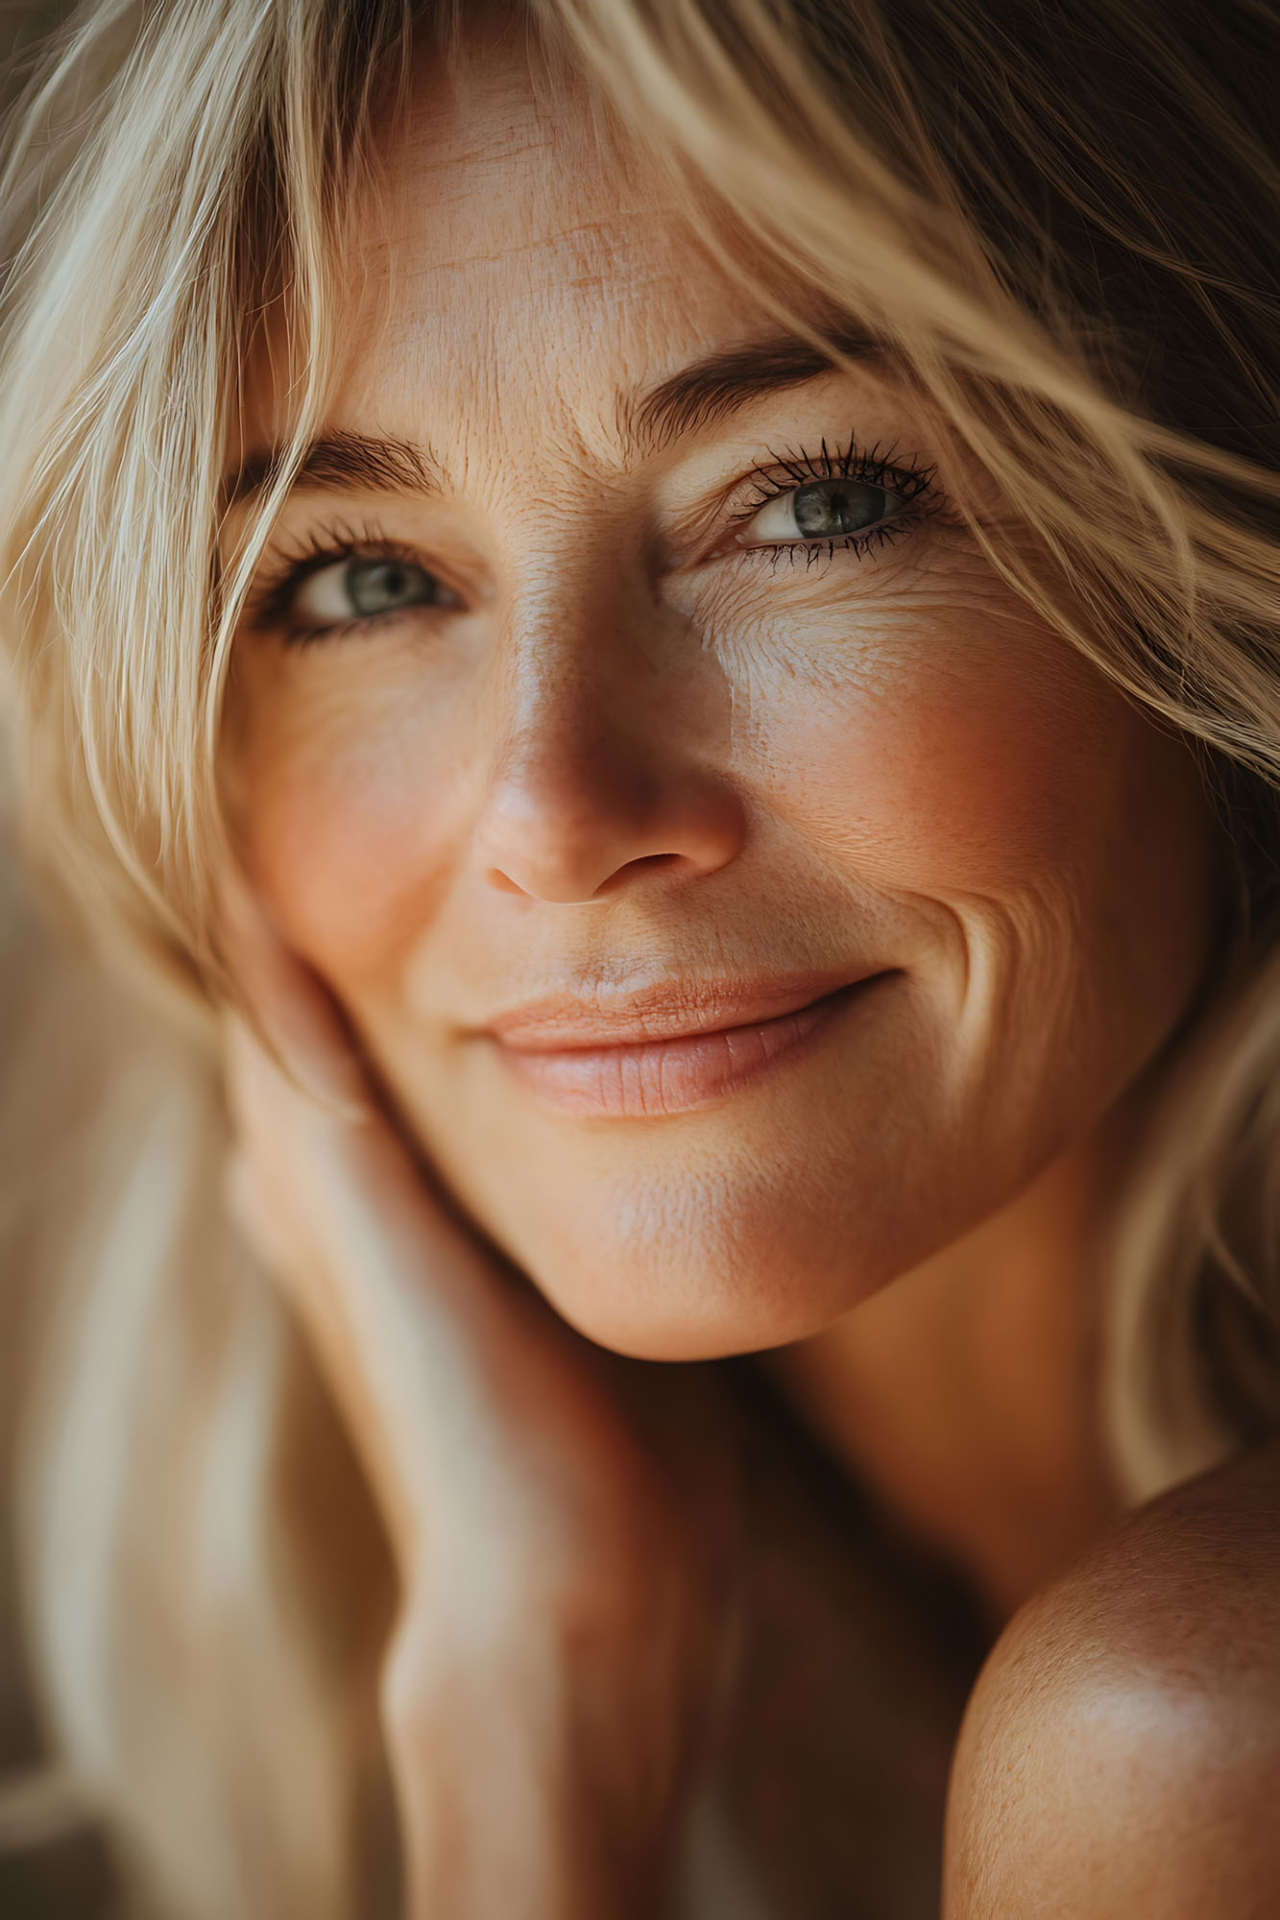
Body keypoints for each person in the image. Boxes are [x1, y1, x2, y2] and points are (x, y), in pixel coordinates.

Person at [0, 0, 1277, 1913]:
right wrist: (541, 1681)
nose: (553, 809)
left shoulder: (1197, 1742)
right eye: (364, 579)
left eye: (815, 501)